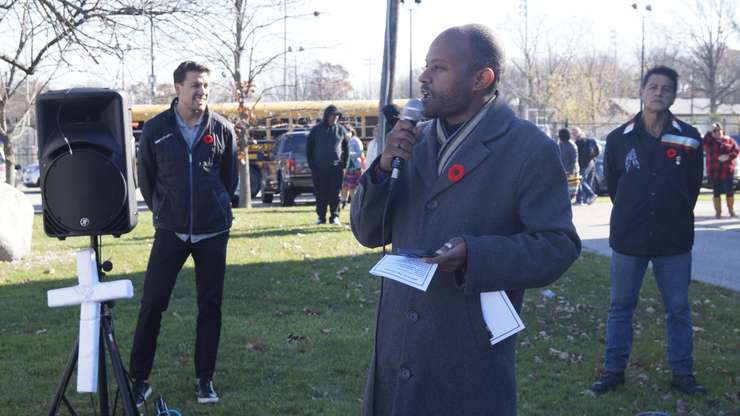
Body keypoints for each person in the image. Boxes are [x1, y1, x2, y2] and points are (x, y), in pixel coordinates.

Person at [350, 24, 580, 415]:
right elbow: (368, 233)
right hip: (397, 349)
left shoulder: (527, 148)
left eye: (438, 68)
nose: (423, 77)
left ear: (481, 78)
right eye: (425, 66)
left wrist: (475, 255)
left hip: (465, 360)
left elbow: (558, 245)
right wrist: (382, 169)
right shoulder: (412, 141)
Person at [591, 65, 706, 396]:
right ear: (641, 92)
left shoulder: (689, 137)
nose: (658, 92)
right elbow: (615, 187)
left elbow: (692, 186)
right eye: (652, 86)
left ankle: (683, 374)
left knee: (679, 309)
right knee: (621, 307)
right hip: (630, 238)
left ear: (673, 95)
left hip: (674, 240)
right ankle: (613, 372)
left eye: (666, 88)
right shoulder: (617, 139)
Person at [131, 61, 237, 407]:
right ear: (177, 88)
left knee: (210, 307)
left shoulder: (222, 129)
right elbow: (146, 179)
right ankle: (138, 380)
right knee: (152, 305)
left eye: (205, 86)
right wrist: (164, 210)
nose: (201, 91)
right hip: (171, 232)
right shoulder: (155, 129)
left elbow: (229, 179)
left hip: (212, 232)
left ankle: (205, 380)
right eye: (195, 85)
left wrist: (217, 208)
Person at [306, 104, 348, 225]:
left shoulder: (341, 130)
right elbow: (309, 149)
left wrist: (344, 164)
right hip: (319, 169)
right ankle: (321, 217)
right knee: (320, 193)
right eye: (333, 115)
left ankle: (334, 216)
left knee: (335, 194)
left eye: (337, 116)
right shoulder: (316, 130)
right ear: (327, 116)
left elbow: (346, 148)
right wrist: (312, 166)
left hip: (336, 169)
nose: (335, 118)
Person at [702, 122, 738, 218]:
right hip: (714, 172)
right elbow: (703, 142)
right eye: (715, 131)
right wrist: (710, 130)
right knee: (716, 192)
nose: (717, 132)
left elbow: (737, 151)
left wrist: (728, 156)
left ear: (722, 131)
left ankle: (731, 211)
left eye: (719, 130)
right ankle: (718, 213)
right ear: (712, 133)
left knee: (729, 191)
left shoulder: (729, 140)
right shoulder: (709, 141)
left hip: (727, 171)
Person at [572, 127, 600, 205]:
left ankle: (591, 195)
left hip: (585, 164)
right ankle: (581, 200)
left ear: (578, 133)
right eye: (572, 133)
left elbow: (582, 155)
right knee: (582, 181)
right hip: (589, 163)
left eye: (574, 133)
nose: (573, 135)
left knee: (581, 180)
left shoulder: (581, 141)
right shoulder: (582, 141)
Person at [340, 126, 365, 209]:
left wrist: (349, 154)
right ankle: (344, 202)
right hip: (346, 167)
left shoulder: (356, 140)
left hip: (355, 166)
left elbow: (360, 152)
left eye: (348, 132)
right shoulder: (344, 140)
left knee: (352, 187)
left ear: (351, 132)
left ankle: (354, 203)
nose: (346, 134)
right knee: (344, 186)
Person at [558, 128, 579, 202]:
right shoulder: (560, 144)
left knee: (572, 191)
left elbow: (574, 159)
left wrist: (571, 170)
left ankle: (577, 200)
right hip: (563, 170)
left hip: (572, 171)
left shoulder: (571, 145)